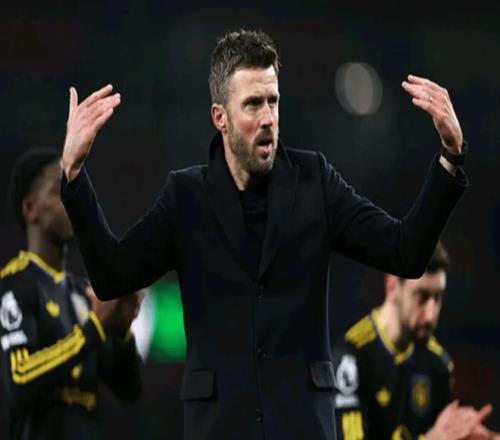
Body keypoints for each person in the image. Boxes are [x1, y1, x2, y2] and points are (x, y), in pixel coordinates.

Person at [60, 30, 468, 440]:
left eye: (273, 101)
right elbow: (112, 276)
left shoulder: (315, 182)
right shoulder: (186, 197)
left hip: (302, 427)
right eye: (253, 104)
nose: (269, 118)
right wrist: (74, 176)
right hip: (219, 428)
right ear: (219, 117)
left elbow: (404, 252)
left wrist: (450, 159)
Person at [0, 148, 144, 440]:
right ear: (31, 208)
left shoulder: (84, 294)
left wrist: (121, 330)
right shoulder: (15, 285)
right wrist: (93, 329)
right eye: (59, 192)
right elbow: (19, 379)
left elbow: (129, 389)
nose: (71, 202)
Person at [333, 243, 500, 439]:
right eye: (422, 297)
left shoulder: (438, 363)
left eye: (438, 298)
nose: (431, 315)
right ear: (392, 285)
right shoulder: (352, 357)